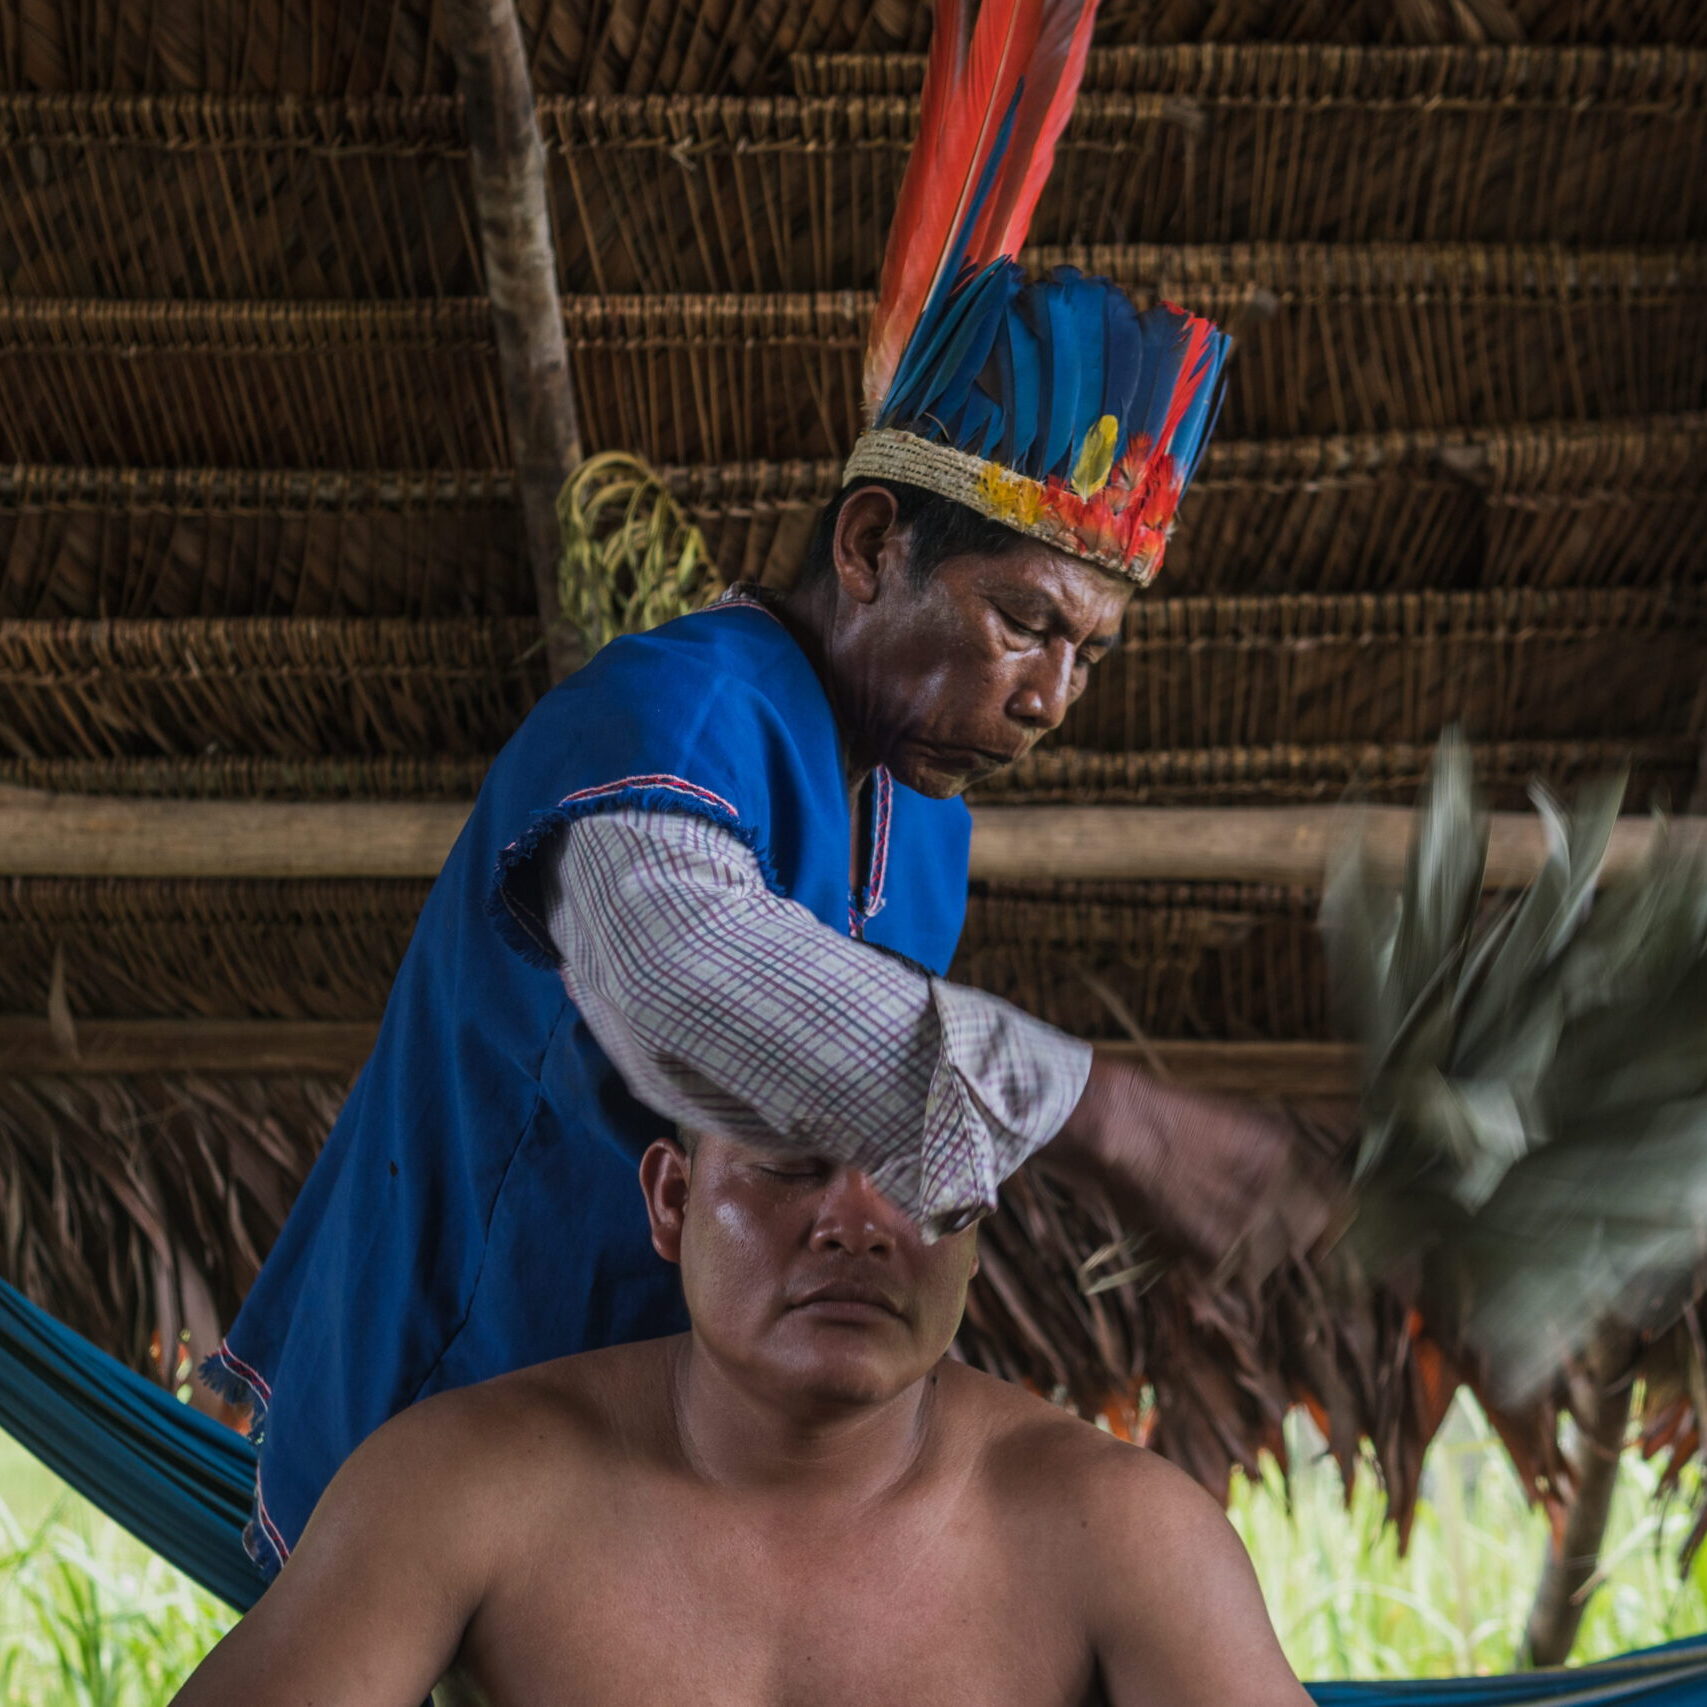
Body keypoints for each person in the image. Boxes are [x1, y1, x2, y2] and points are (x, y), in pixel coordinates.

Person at [200, 0, 1326, 1582]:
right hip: (440, 1438)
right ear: (871, 546)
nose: (1052, 697)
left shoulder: (924, 823)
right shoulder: (669, 706)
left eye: (1086, 655)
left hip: (642, 1487)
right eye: (1023, 625)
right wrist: (1104, 1106)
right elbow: (686, 975)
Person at [172, 1130, 1313, 1707]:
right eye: (787, 1161)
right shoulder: (468, 1485)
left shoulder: (1119, 1534)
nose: (858, 1225)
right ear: (672, 1198)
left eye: (917, 1179)